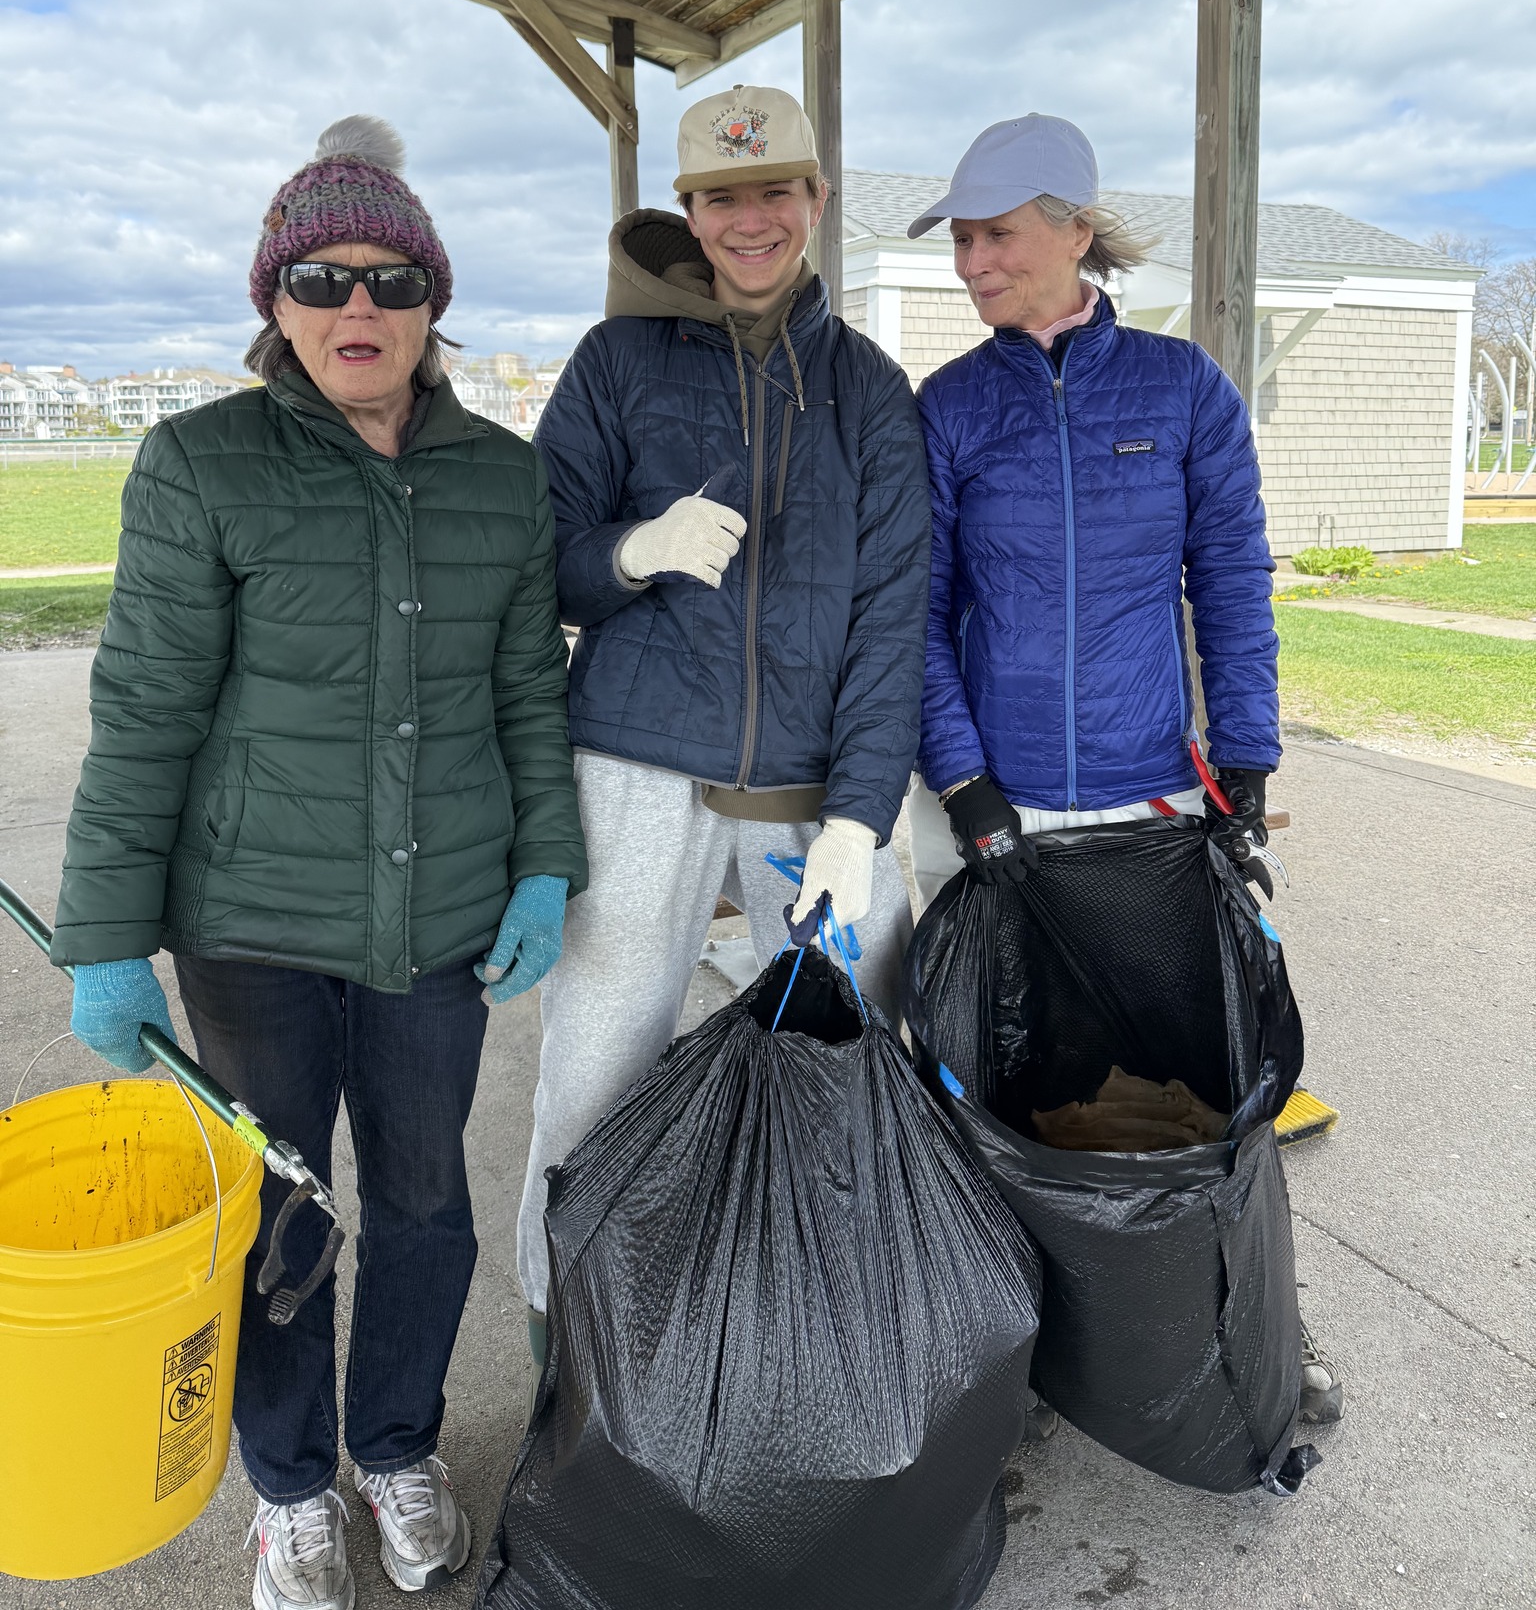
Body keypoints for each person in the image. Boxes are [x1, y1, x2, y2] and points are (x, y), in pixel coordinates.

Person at [52, 117, 588, 1610]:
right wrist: (108, 933)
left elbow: (527, 698)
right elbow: (145, 709)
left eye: (395, 278)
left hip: (441, 926)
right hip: (253, 931)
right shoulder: (198, 462)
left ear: (434, 304)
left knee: (425, 1204)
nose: (362, 305)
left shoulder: (501, 477)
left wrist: (544, 863)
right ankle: (291, 1490)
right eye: (325, 276)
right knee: (280, 1214)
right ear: (275, 303)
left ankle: (398, 1446)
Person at [907, 111, 1344, 1428]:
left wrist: (1249, 757)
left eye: (994, 236)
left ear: (1073, 231)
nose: (973, 263)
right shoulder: (950, 406)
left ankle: (1258, 1330)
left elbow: (1230, 582)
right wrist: (965, 778)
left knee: (1198, 1074)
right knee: (1006, 1079)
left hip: (1153, 790)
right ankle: (1032, 1349)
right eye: (963, 241)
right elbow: (918, 612)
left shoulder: (1180, 389)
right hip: (1004, 804)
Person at [520, 83, 930, 1353]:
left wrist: (863, 813)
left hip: (812, 791)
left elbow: (890, 618)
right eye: (720, 197)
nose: (749, 221)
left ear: (814, 201)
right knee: (596, 1063)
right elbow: (540, 558)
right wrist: (632, 552)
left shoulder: (868, 389)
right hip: (637, 762)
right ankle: (569, 1344)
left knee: (843, 1058)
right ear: (688, 213)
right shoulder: (616, 362)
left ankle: (820, 1334)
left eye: (774, 192)